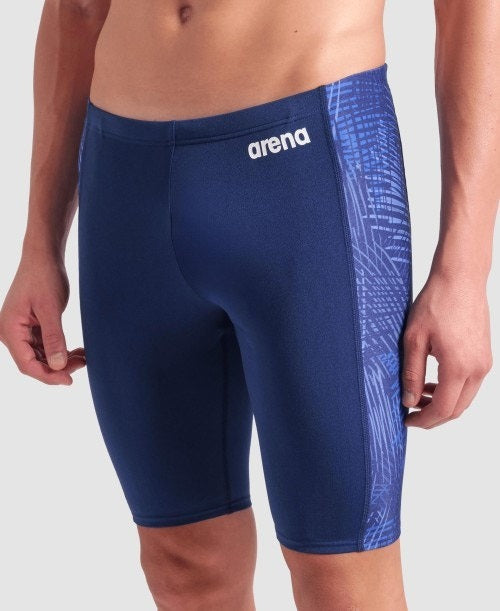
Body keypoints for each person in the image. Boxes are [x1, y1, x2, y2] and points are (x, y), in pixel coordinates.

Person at [0, 0, 498, 608]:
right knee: (185, 567)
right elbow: (76, 10)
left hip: (309, 173)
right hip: (125, 184)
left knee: (344, 580)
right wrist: (39, 242)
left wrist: (463, 273)